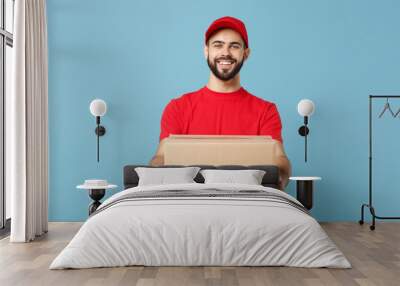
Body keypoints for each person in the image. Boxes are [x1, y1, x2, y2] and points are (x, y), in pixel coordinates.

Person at [150, 16, 291, 189]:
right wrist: (155, 176)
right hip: (189, 201)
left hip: (247, 202)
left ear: (246, 54)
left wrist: (279, 178)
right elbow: (162, 157)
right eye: (218, 45)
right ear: (206, 51)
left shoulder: (266, 110)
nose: (225, 52)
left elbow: (279, 159)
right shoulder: (178, 108)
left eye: (234, 46)